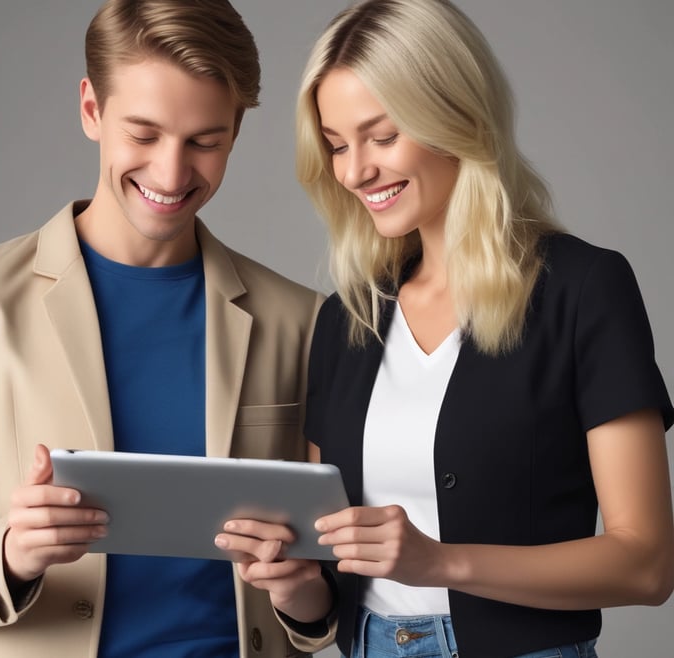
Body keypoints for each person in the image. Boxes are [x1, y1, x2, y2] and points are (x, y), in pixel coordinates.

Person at [214, 1, 674, 656]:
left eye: (381, 135)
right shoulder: (346, 322)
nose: (353, 171)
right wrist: (295, 589)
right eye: (337, 144)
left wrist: (441, 562)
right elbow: (332, 590)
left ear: (455, 114)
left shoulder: (584, 289)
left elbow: (647, 563)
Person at [0, 1, 324, 657]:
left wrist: (304, 596)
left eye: (205, 142)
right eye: (144, 133)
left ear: (236, 132)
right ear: (91, 110)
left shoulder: (299, 319)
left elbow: (326, 583)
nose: (171, 173)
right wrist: (12, 551)